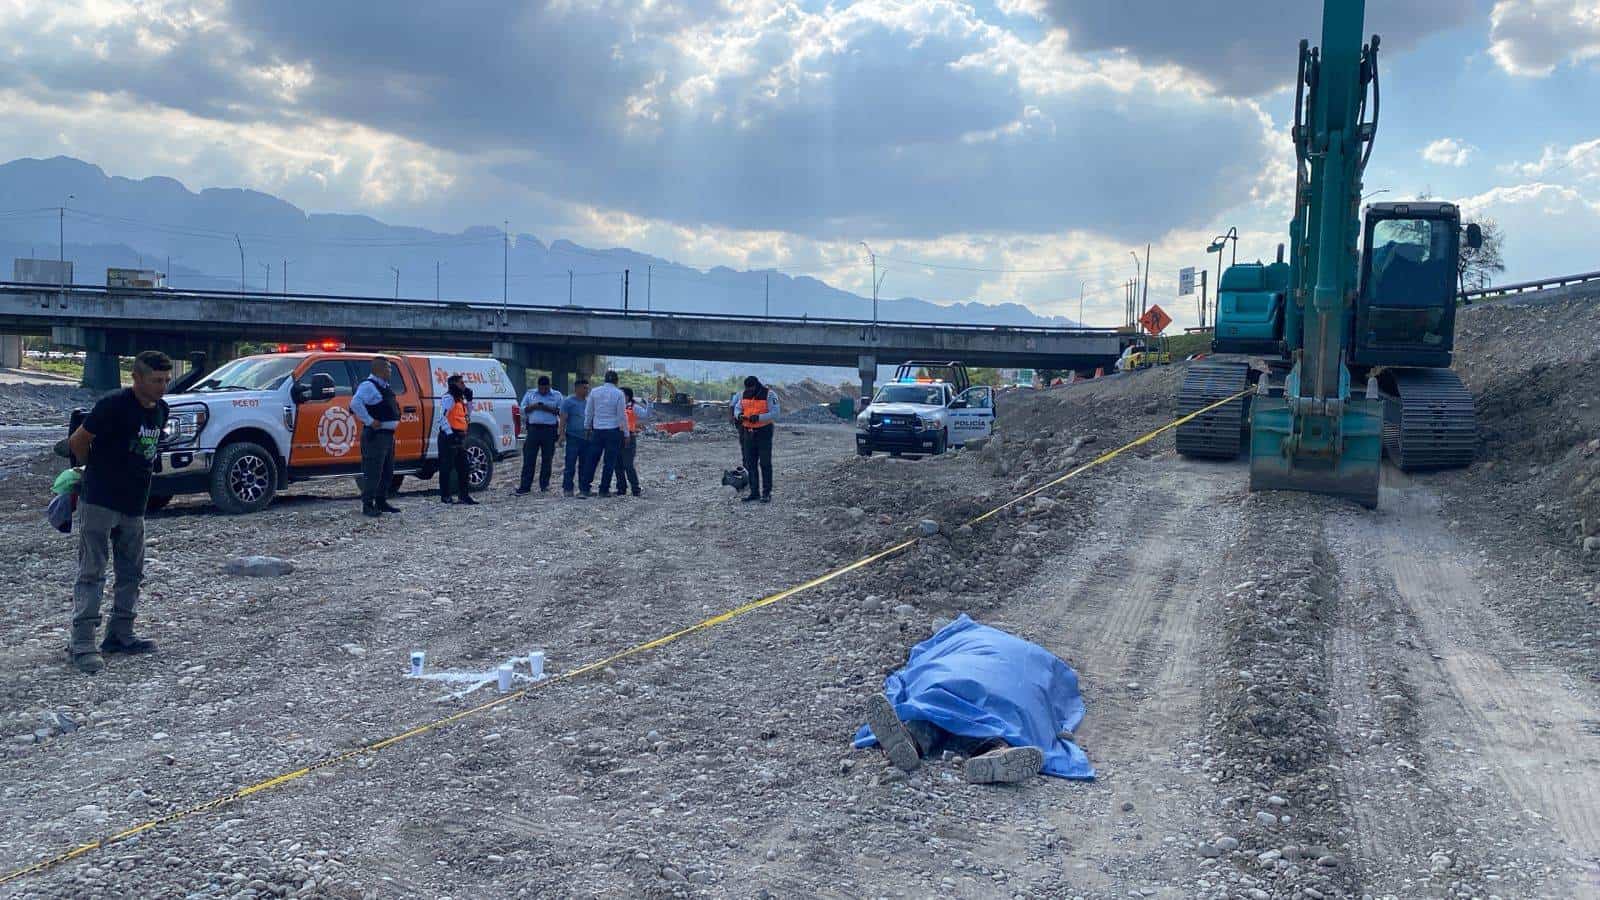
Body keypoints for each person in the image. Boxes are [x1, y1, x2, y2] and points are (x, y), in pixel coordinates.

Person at [64, 350, 172, 675]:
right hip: (99, 500)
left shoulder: (161, 410)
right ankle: (82, 643)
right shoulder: (112, 405)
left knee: (131, 573)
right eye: (156, 380)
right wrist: (89, 470)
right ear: (136, 378)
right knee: (92, 572)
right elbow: (78, 440)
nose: (162, 387)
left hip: (134, 505)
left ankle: (120, 634)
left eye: (166, 380)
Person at [351, 357, 402, 517]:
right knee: (373, 471)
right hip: (375, 436)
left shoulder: (384, 387)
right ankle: (368, 505)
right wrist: (369, 421)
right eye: (388, 368)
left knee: (387, 471)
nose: (390, 371)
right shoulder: (368, 386)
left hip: (387, 436)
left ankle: (381, 501)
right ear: (379, 369)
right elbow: (355, 404)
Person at [583, 370, 630, 498]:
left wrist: (587, 428)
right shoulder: (619, 393)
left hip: (597, 431)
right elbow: (622, 416)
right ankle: (603, 490)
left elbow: (589, 412)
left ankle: (584, 489)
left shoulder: (594, 392)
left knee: (591, 460)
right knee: (609, 462)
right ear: (616, 381)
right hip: (613, 432)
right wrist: (626, 434)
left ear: (604, 380)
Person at [735, 375, 779, 503]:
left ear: (756, 385)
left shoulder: (769, 395)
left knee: (765, 463)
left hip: (764, 432)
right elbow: (738, 408)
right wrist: (739, 415)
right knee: (750, 464)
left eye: (750, 389)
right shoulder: (743, 394)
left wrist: (759, 418)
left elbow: (775, 413)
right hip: (748, 432)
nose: (748, 391)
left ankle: (766, 493)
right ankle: (754, 493)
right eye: (747, 389)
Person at [516, 375, 562, 494]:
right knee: (529, 458)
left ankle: (544, 485)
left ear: (549, 386)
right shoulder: (531, 394)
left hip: (549, 430)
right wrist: (534, 406)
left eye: (546, 389)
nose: (543, 391)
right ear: (538, 386)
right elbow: (521, 409)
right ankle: (525, 486)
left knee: (547, 459)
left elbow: (561, 412)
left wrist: (547, 408)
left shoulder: (557, 395)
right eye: (541, 388)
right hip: (533, 430)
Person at [437, 374, 477, 505]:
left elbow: (468, 415)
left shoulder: (460, 399)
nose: (463, 385)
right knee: (446, 467)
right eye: (461, 383)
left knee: (464, 467)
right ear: (454, 384)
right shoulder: (448, 398)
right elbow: (442, 417)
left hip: (459, 437)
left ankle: (464, 496)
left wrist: (470, 400)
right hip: (448, 437)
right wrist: (450, 434)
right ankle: (445, 496)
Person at [558, 377, 593, 497]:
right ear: (577, 388)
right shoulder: (568, 401)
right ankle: (568, 488)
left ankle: (584, 489)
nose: (586, 390)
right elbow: (563, 419)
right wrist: (561, 434)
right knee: (570, 464)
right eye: (584, 388)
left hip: (587, 437)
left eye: (587, 388)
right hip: (573, 437)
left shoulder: (589, 402)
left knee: (585, 465)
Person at [606, 386, 642, 497]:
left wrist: (649, 404)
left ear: (627, 396)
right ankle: (621, 488)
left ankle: (635, 488)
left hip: (629, 437)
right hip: (617, 436)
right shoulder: (616, 407)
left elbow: (645, 414)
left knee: (628, 464)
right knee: (618, 464)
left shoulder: (634, 407)